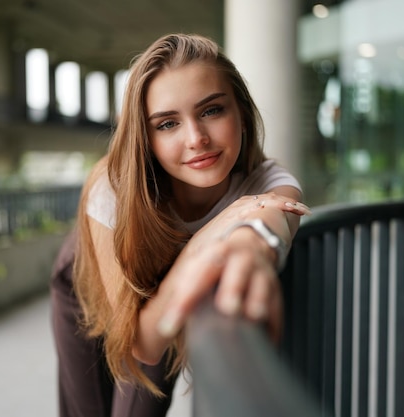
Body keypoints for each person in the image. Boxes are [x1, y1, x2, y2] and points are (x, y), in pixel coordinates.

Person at [50, 33, 311, 417]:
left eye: (211, 111)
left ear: (240, 110)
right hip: (89, 288)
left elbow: (266, 228)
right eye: (168, 123)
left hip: (166, 293)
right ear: (146, 137)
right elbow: (139, 343)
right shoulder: (114, 187)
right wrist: (216, 226)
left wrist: (252, 249)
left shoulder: (267, 182)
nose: (196, 139)